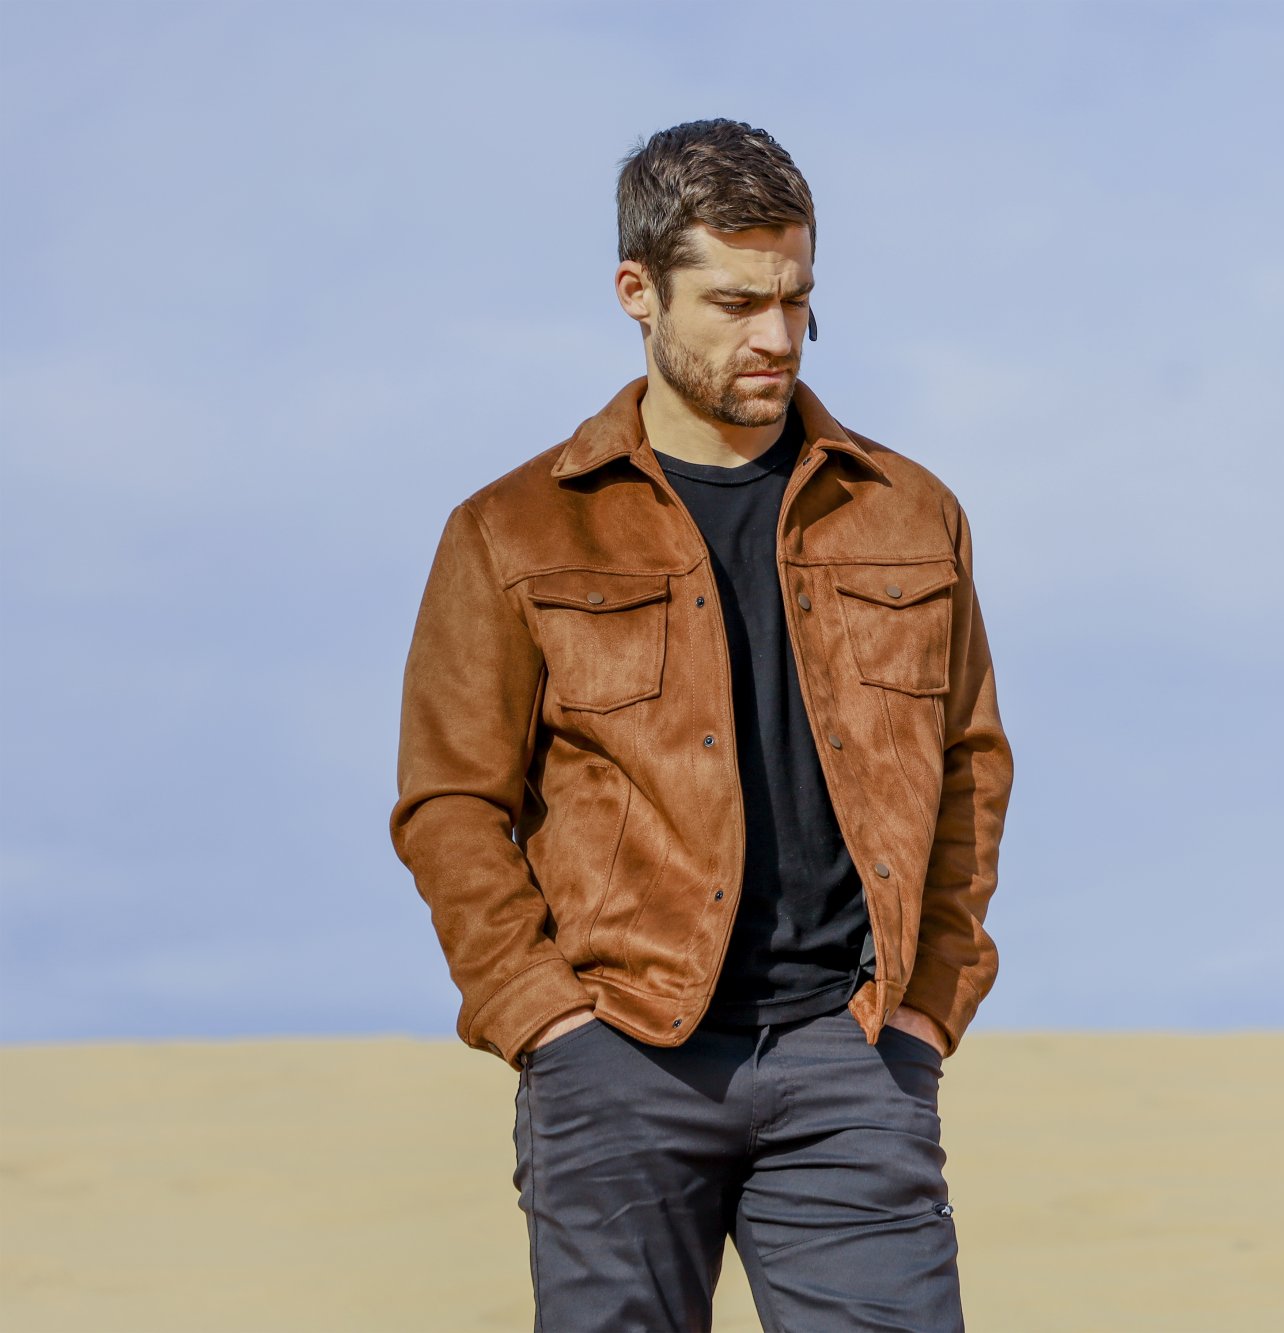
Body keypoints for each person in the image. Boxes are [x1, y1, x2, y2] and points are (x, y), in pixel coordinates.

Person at [388, 117, 1014, 1331]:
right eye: (734, 302)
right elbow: (450, 801)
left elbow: (969, 764)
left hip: (852, 1059)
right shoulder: (511, 530)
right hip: (617, 1055)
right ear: (638, 291)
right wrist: (542, 1016)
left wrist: (928, 1005)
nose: (775, 335)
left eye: (795, 297)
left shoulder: (908, 510)